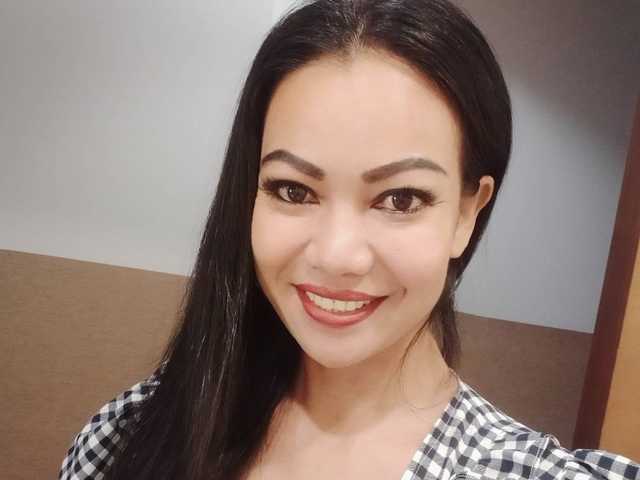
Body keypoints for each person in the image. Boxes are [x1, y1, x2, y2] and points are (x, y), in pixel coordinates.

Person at [59, 1, 640, 479]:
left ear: (468, 212)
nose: (337, 255)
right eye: (292, 190)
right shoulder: (128, 436)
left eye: (400, 199)